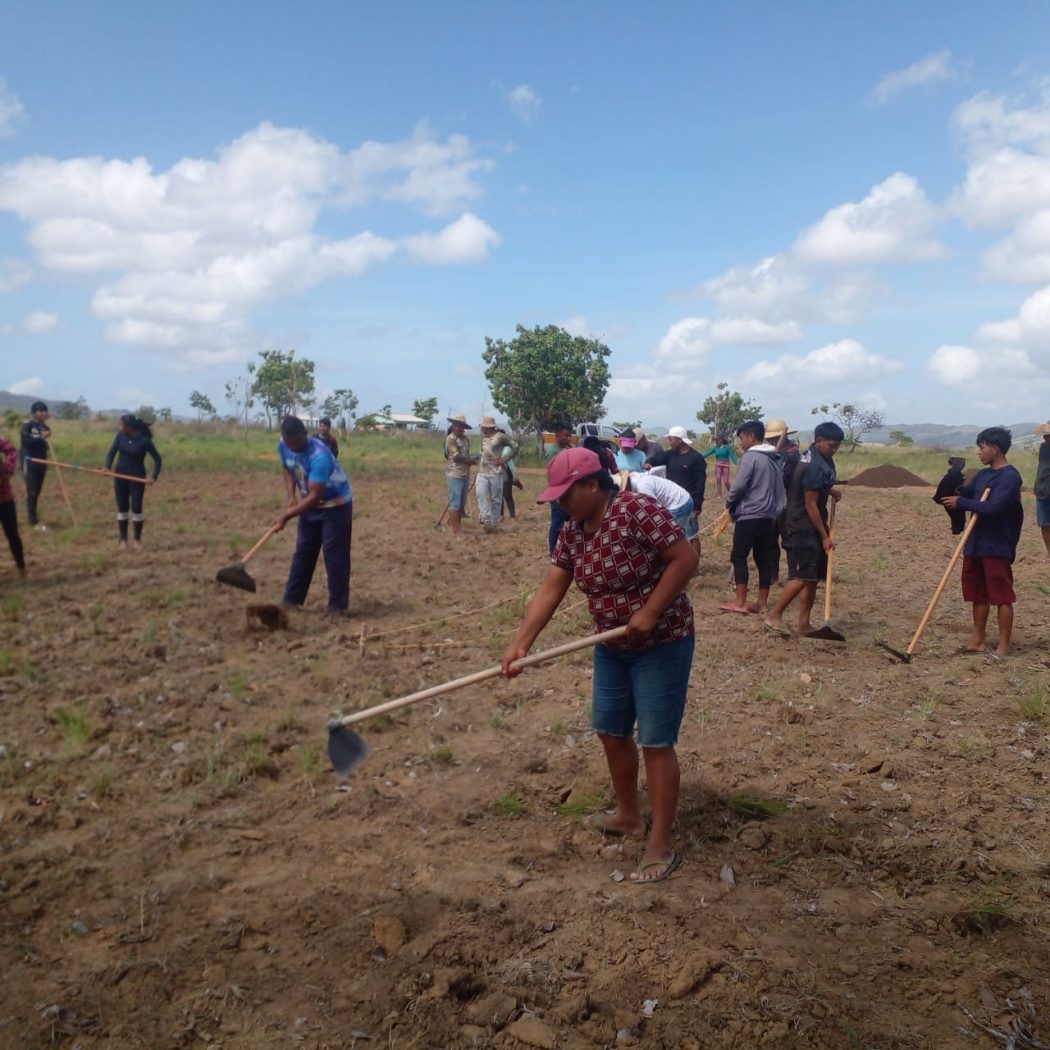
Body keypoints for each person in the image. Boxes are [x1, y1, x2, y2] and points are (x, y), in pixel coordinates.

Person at [503, 447, 697, 884]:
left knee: (655, 740)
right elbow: (552, 588)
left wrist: (649, 612)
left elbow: (685, 559)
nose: (560, 503)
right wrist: (521, 644)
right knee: (610, 731)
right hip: (610, 644)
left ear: (593, 484)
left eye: (566, 494)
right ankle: (629, 815)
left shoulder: (637, 511)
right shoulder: (573, 532)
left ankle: (659, 843)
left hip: (662, 641)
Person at [942, 427, 1023, 657]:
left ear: (995, 449)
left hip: (996, 544)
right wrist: (953, 482)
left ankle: (1003, 645)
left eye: (982, 447)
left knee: (1001, 596)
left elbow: (994, 507)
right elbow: (965, 495)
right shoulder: (983, 475)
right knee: (977, 593)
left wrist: (963, 503)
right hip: (975, 541)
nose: (979, 452)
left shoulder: (1009, 477)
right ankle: (977, 640)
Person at [764, 422, 843, 636]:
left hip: (812, 522)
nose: (834, 449)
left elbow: (815, 488)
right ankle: (774, 615)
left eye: (837, 446)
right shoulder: (812, 464)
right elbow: (810, 504)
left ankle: (804, 624)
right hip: (803, 524)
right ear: (818, 441)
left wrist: (830, 491)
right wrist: (824, 536)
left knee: (812, 577)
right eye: (831, 445)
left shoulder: (818, 458)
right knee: (802, 575)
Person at [273, 415, 353, 616]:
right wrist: (291, 496)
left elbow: (315, 495)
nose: (294, 447)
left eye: (298, 442)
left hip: (335, 505)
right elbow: (287, 468)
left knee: (334, 555)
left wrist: (286, 516)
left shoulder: (320, 455)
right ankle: (292, 600)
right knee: (304, 551)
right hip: (311, 505)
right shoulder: (283, 445)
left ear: (305, 434)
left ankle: (337, 607)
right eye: (290, 443)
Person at [720, 421, 783, 614]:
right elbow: (780, 490)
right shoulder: (774, 459)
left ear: (752, 437)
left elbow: (739, 486)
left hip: (749, 515)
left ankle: (740, 603)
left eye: (742, 438)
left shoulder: (750, 457)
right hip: (768, 516)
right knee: (763, 558)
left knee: (738, 556)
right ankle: (762, 603)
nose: (741, 443)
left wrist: (729, 502)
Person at [646, 426, 706, 561]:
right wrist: (649, 462)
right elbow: (656, 459)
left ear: (680, 440)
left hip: (689, 502)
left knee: (692, 535)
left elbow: (700, 483)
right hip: (672, 502)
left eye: (671, 439)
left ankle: (694, 564)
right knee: (674, 535)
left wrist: (698, 505)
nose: (669, 441)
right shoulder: (669, 455)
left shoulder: (696, 458)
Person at [104, 415, 162, 548]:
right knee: (122, 508)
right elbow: (112, 452)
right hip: (120, 477)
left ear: (129, 427)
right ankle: (123, 540)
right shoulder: (120, 436)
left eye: (122, 425)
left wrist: (153, 477)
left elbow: (158, 459)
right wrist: (107, 467)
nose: (120, 428)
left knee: (136, 507)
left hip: (137, 477)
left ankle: (137, 540)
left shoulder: (144, 441)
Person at [765, 419, 800, 586]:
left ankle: (793, 575)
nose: (770, 441)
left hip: (787, 504)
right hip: (771, 504)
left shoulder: (792, 455)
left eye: (774, 438)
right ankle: (773, 577)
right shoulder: (772, 454)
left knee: (789, 542)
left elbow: (784, 479)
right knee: (771, 542)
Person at [617, 469, 696, 542]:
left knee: (674, 539)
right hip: (681, 498)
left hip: (678, 504)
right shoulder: (634, 477)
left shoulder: (642, 487)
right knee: (689, 536)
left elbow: (654, 510)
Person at [476, 417, 518, 533]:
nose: (483, 429)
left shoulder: (501, 437)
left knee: (496, 499)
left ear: (491, 427)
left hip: (495, 473)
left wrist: (504, 459)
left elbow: (515, 446)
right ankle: (485, 518)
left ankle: (493, 524)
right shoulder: (484, 438)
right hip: (482, 472)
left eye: (485, 427)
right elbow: (483, 452)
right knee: (481, 494)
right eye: (483, 427)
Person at [444, 415, 479, 538]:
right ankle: (457, 531)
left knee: (461, 503)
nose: (459, 428)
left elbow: (466, 454)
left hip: (464, 473)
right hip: (455, 474)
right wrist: (472, 460)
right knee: (455, 503)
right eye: (457, 425)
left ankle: (457, 526)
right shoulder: (450, 439)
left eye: (461, 426)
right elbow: (457, 456)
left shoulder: (465, 439)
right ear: (453, 426)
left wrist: (473, 458)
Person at [20, 400, 51, 530]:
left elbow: (46, 445)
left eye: (45, 411)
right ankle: (33, 521)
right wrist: (40, 438)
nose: (44, 413)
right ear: (34, 413)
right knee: (32, 491)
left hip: (42, 462)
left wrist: (47, 442)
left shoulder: (46, 428)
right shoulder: (27, 425)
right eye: (41, 411)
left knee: (37, 491)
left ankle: (33, 517)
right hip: (29, 461)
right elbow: (26, 441)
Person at [545, 421, 574, 553]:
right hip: (558, 492)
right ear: (557, 436)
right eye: (565, 435)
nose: (568, 438)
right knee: (557, 525)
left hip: (569, 492)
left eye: (569, 435)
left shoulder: (568, 448)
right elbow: (552, 474)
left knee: (570, 523)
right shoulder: (553, 452)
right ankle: (553, 551)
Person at [0, 430, 26, 579]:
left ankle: (21, 567)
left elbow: (11, 450)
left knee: (12, 534)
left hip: (4, 498)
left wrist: (7, 470)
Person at [933, 457, 967, 536]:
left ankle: (957, 529)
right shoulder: (953, 475)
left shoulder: (953, 475)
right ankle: (957, 529)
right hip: (950, 499)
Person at [496, 428, 524, 519]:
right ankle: (501, 515)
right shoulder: (494, 447)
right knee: (499, 494)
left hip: (508, 472)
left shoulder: (507, 448)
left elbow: (503, 458)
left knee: (507, 494)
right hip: (497, 472)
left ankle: (512, 515)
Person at [1034, 422, 1050, 562]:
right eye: (1045, 435)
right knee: (1044, 524)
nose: (1046, 437)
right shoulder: (1044, 448)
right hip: (1043, 489)